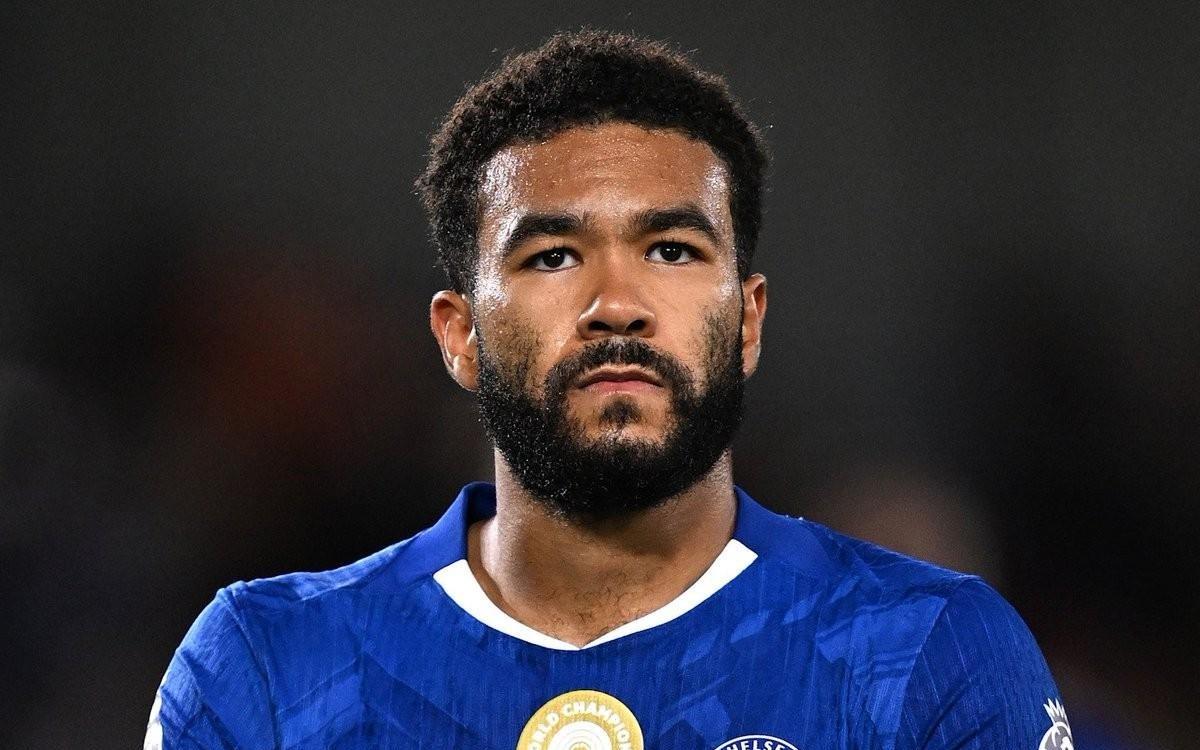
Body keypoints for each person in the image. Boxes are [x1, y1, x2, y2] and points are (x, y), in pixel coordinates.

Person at [146, 30, 1072, 750]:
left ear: (748, 321)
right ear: (460, 336)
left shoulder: (925, 651)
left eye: (671, 249)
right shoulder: (267, 667)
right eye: (553, 256)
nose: (616, 305)